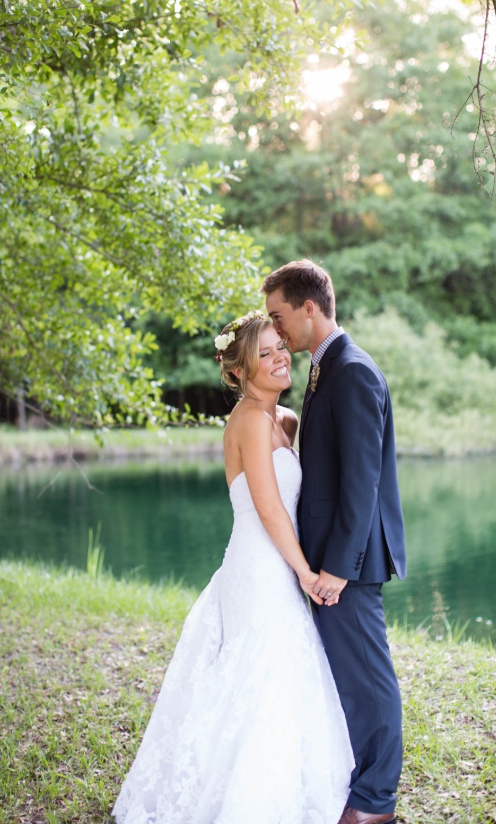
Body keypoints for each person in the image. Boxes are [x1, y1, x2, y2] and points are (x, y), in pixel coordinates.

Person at [112, 310, 354, 824]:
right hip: (260, 567)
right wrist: (307, 574)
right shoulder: (246, 419)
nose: (277, 358)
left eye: (278, 347)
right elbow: (268, 510)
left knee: (279, 675)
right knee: (260, 674)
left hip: (278, 564)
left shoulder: (284, 420)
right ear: (239, 372)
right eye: (262, 354)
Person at [263, 261, 407, 824]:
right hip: (327, 558)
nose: (276, 332)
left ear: (308, 308)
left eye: (279, 316)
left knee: (369, 678)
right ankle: (357, 783)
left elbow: (361, 482)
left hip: (349, 562)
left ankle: (375, 802)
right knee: (346, 676)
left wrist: (339, 568)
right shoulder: (324, 369)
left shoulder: (353, 371)